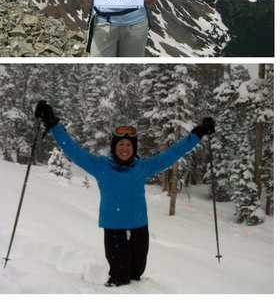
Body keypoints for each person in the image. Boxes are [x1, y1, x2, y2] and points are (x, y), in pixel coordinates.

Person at [34, 100, 215, 287]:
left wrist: (197, 134)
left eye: (129, 145)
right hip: (114, 229)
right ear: (114, 146)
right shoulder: (101, 167)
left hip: (140, 228)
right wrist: (54, 125)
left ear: (134, 148)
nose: (125, 148)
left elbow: (172, 153)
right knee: (120, 278)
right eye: (121, 144)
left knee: (136, 275)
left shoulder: (142, 167)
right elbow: (73, 150)